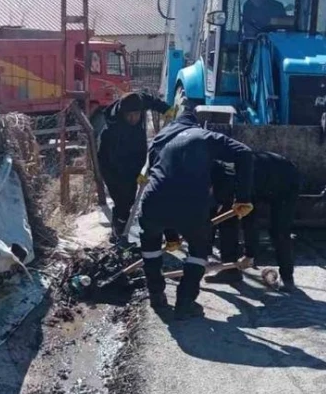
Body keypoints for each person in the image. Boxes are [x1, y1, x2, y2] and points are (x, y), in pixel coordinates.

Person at [138, 109, 255, 320]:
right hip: (190, 204)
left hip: (153, 202)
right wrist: (243, 197)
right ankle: (185, 302)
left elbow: (164, 181)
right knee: (198, 250)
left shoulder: (161, 141)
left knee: (151, 249)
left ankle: (156, 297)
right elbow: (244, 152)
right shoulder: (203, 136)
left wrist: (171, 237)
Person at [210, 151, 301, 292]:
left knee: (279, 230)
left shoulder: (232, 178)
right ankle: (230, 271)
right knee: (226, 221)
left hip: (286, 182)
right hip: (260, 180)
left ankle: (287, 278)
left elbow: (250, 220)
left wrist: (249, 255)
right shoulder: (215, 174)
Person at [96, 92, 171, 240]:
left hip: (133, 158)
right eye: (129, 115)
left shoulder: (139, 101)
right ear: (123, 114)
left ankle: (121, 227)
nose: (133, 119)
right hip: (113, 169)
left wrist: (166, 109)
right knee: (123, 200)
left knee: (129, 198)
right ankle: (118, 232)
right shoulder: (112, 131)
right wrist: (137, 175)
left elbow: (150, 100)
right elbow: (117, 162)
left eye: (136, 114)